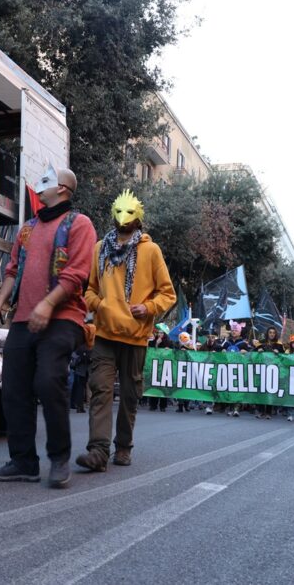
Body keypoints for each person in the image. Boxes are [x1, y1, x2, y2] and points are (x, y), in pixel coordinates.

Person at [0, 166, 95, 488]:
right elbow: (12, 271)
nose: (38, 187)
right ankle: (23, 462)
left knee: (48, 381)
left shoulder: (79, 224)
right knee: (13, 390)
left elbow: (76, 275)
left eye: (45, 182)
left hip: (63, 319)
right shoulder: (27, 229)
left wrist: (47, 304)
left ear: (61, 189)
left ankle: (59, 459)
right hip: (23, 320)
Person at [76, 190, 175, 472]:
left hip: (136, 338)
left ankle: (123, 447)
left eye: (128, 215)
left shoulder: (150, 250)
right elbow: (90, 289)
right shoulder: (100, 248)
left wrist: (149, 307)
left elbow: (168, 294)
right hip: (105, 335)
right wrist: (100, 304)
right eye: (119, 214)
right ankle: (98, 451)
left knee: (130, 395)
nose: (122, 220)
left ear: (138, 217)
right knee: (101, 391)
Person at [70, 345, 91, 413]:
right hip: (84, 370)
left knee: (80, 388)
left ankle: (79, 406)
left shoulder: (79, 347)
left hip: (80, 370)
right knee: (81, 389)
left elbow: (73, 355)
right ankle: (80, 407)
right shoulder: (86, 347)